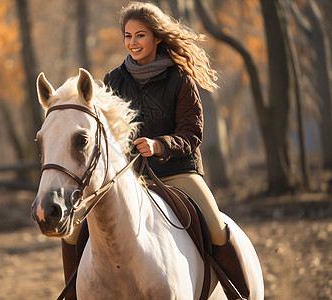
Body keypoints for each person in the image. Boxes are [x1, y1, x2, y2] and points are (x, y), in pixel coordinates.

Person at [62, 2, 249, 300]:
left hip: (178, 172)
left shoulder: (181, 79)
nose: (133, 43)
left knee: (216, 228)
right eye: (128, 36)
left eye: (140, 35)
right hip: (127, 177)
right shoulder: (113, 80)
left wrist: (159, 145)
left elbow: (191, 134)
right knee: (72, 232)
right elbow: (106, 134)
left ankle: (241, 295)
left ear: (157, 38)